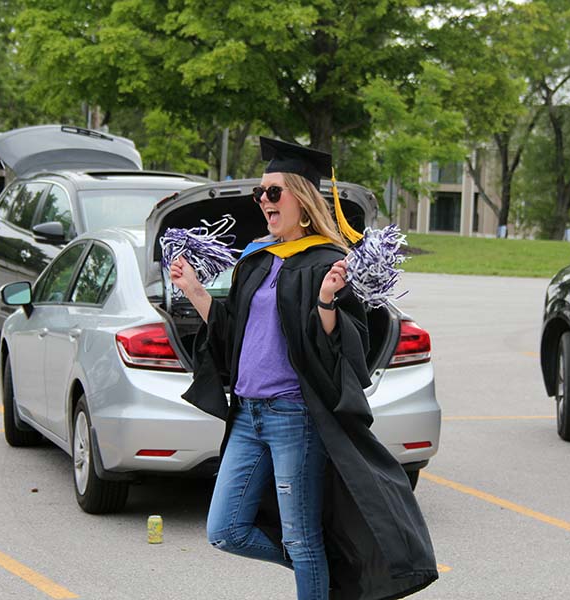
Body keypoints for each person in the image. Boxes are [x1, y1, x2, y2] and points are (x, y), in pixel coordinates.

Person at [170, 137, 437, 600]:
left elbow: (344, 345)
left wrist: (328, 299)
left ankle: (317, 572)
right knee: (226, 530)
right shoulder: (255, 257)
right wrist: (195, 290)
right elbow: (232, 332)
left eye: (274, 192)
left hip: (293, 416)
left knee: (300, 536)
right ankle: (327, 570)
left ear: (302, 200)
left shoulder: (327, 263)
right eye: (261, 194)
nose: (264, 202)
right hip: (248, 415)